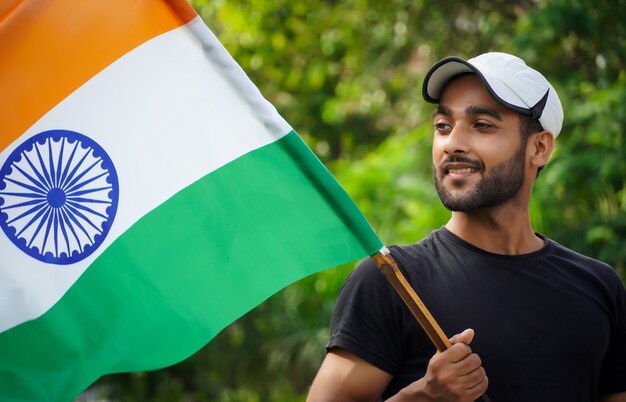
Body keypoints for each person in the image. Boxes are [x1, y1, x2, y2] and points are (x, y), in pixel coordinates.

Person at [306, 52, 626, 402]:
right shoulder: (391, 280)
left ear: (539, 148)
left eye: (482, 125)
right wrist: (423, 396)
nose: (452, 143)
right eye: (443, 126)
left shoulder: (599, 287)